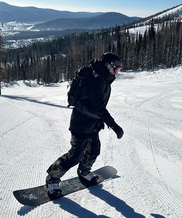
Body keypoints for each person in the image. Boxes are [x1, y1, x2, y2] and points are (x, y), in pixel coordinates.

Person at [45, 52, 124, 197]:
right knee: (75, 155)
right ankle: (52, 178)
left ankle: (84, 171)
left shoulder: (102, 77)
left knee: (94, 149)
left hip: (92, 123)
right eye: (117, 69)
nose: (117, 73)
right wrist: (114, 126)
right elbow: (98, 107)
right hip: (81, 123)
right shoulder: (98, 79)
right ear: (109, 66)